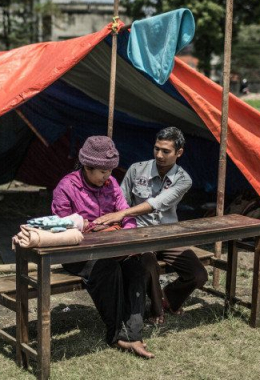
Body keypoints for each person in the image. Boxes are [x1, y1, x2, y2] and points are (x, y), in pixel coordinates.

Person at [51, 135, 154, 359]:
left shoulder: (112, 184)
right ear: (87, 167)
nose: (107, 176)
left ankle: (134, 334)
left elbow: (125, 214)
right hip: (78, 254)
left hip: (113, 248)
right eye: (102, 172)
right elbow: (60, 227)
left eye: (110, 171)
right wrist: (87, 227)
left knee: (136, 267)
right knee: (109, 269)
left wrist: (126, 236)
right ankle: (116, 334)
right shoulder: (66, 187)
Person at [93, 127, 208, 324]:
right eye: (156, 149)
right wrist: (119, 219)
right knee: (147, 265)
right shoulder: (136, 169)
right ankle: (156, 311)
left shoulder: (183, 179)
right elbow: (121, 200)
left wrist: (122, 213)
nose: (159, 155)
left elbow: (158, 203)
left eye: (166, 151)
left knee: (198, 275)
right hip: (139, 234)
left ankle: (169, 298)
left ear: (179, 152)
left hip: (168, 235)